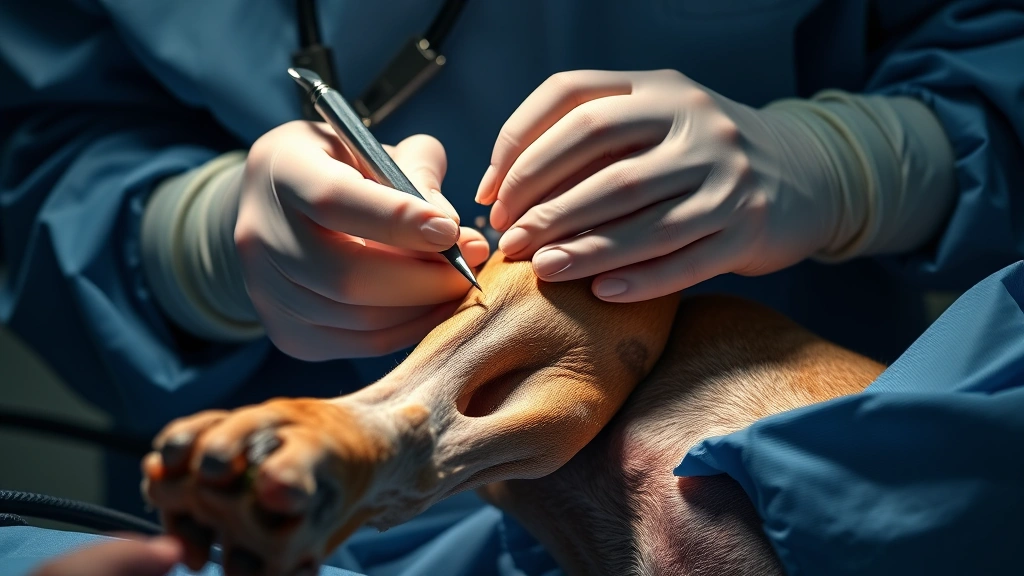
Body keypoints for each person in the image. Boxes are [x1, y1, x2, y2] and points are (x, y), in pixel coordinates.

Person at [1, 0, 1022, 573]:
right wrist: (189, 242)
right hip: (284, 509)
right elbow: (43, 145)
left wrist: (870, 159)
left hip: (824, 469)